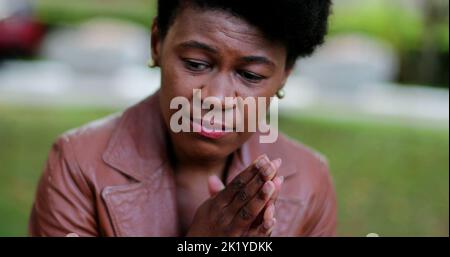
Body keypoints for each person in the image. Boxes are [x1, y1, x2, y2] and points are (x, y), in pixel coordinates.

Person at [29, 0, 336, 237]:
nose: (216, 97)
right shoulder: (78, 164)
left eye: (249, 75)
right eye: (196, 63)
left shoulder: (309, 182)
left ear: (283, 77)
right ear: (157, 44)